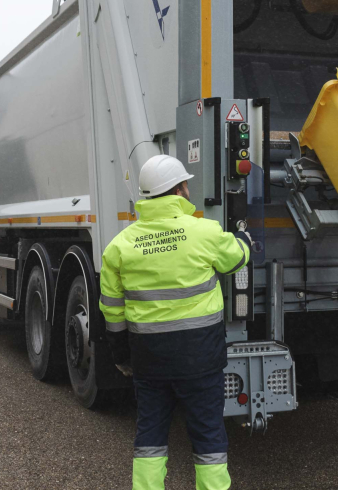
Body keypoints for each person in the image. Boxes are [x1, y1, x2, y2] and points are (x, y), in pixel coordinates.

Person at [100, 155, 251, 490]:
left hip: (149, 360)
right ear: (179, 189)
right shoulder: (204, 231)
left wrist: (122, 356)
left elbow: (112, 311)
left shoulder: (120, 246)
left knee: (150, 436)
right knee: (208, 436)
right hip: (201, 359)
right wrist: (244, 238)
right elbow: (236, 258)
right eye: (186, 185)